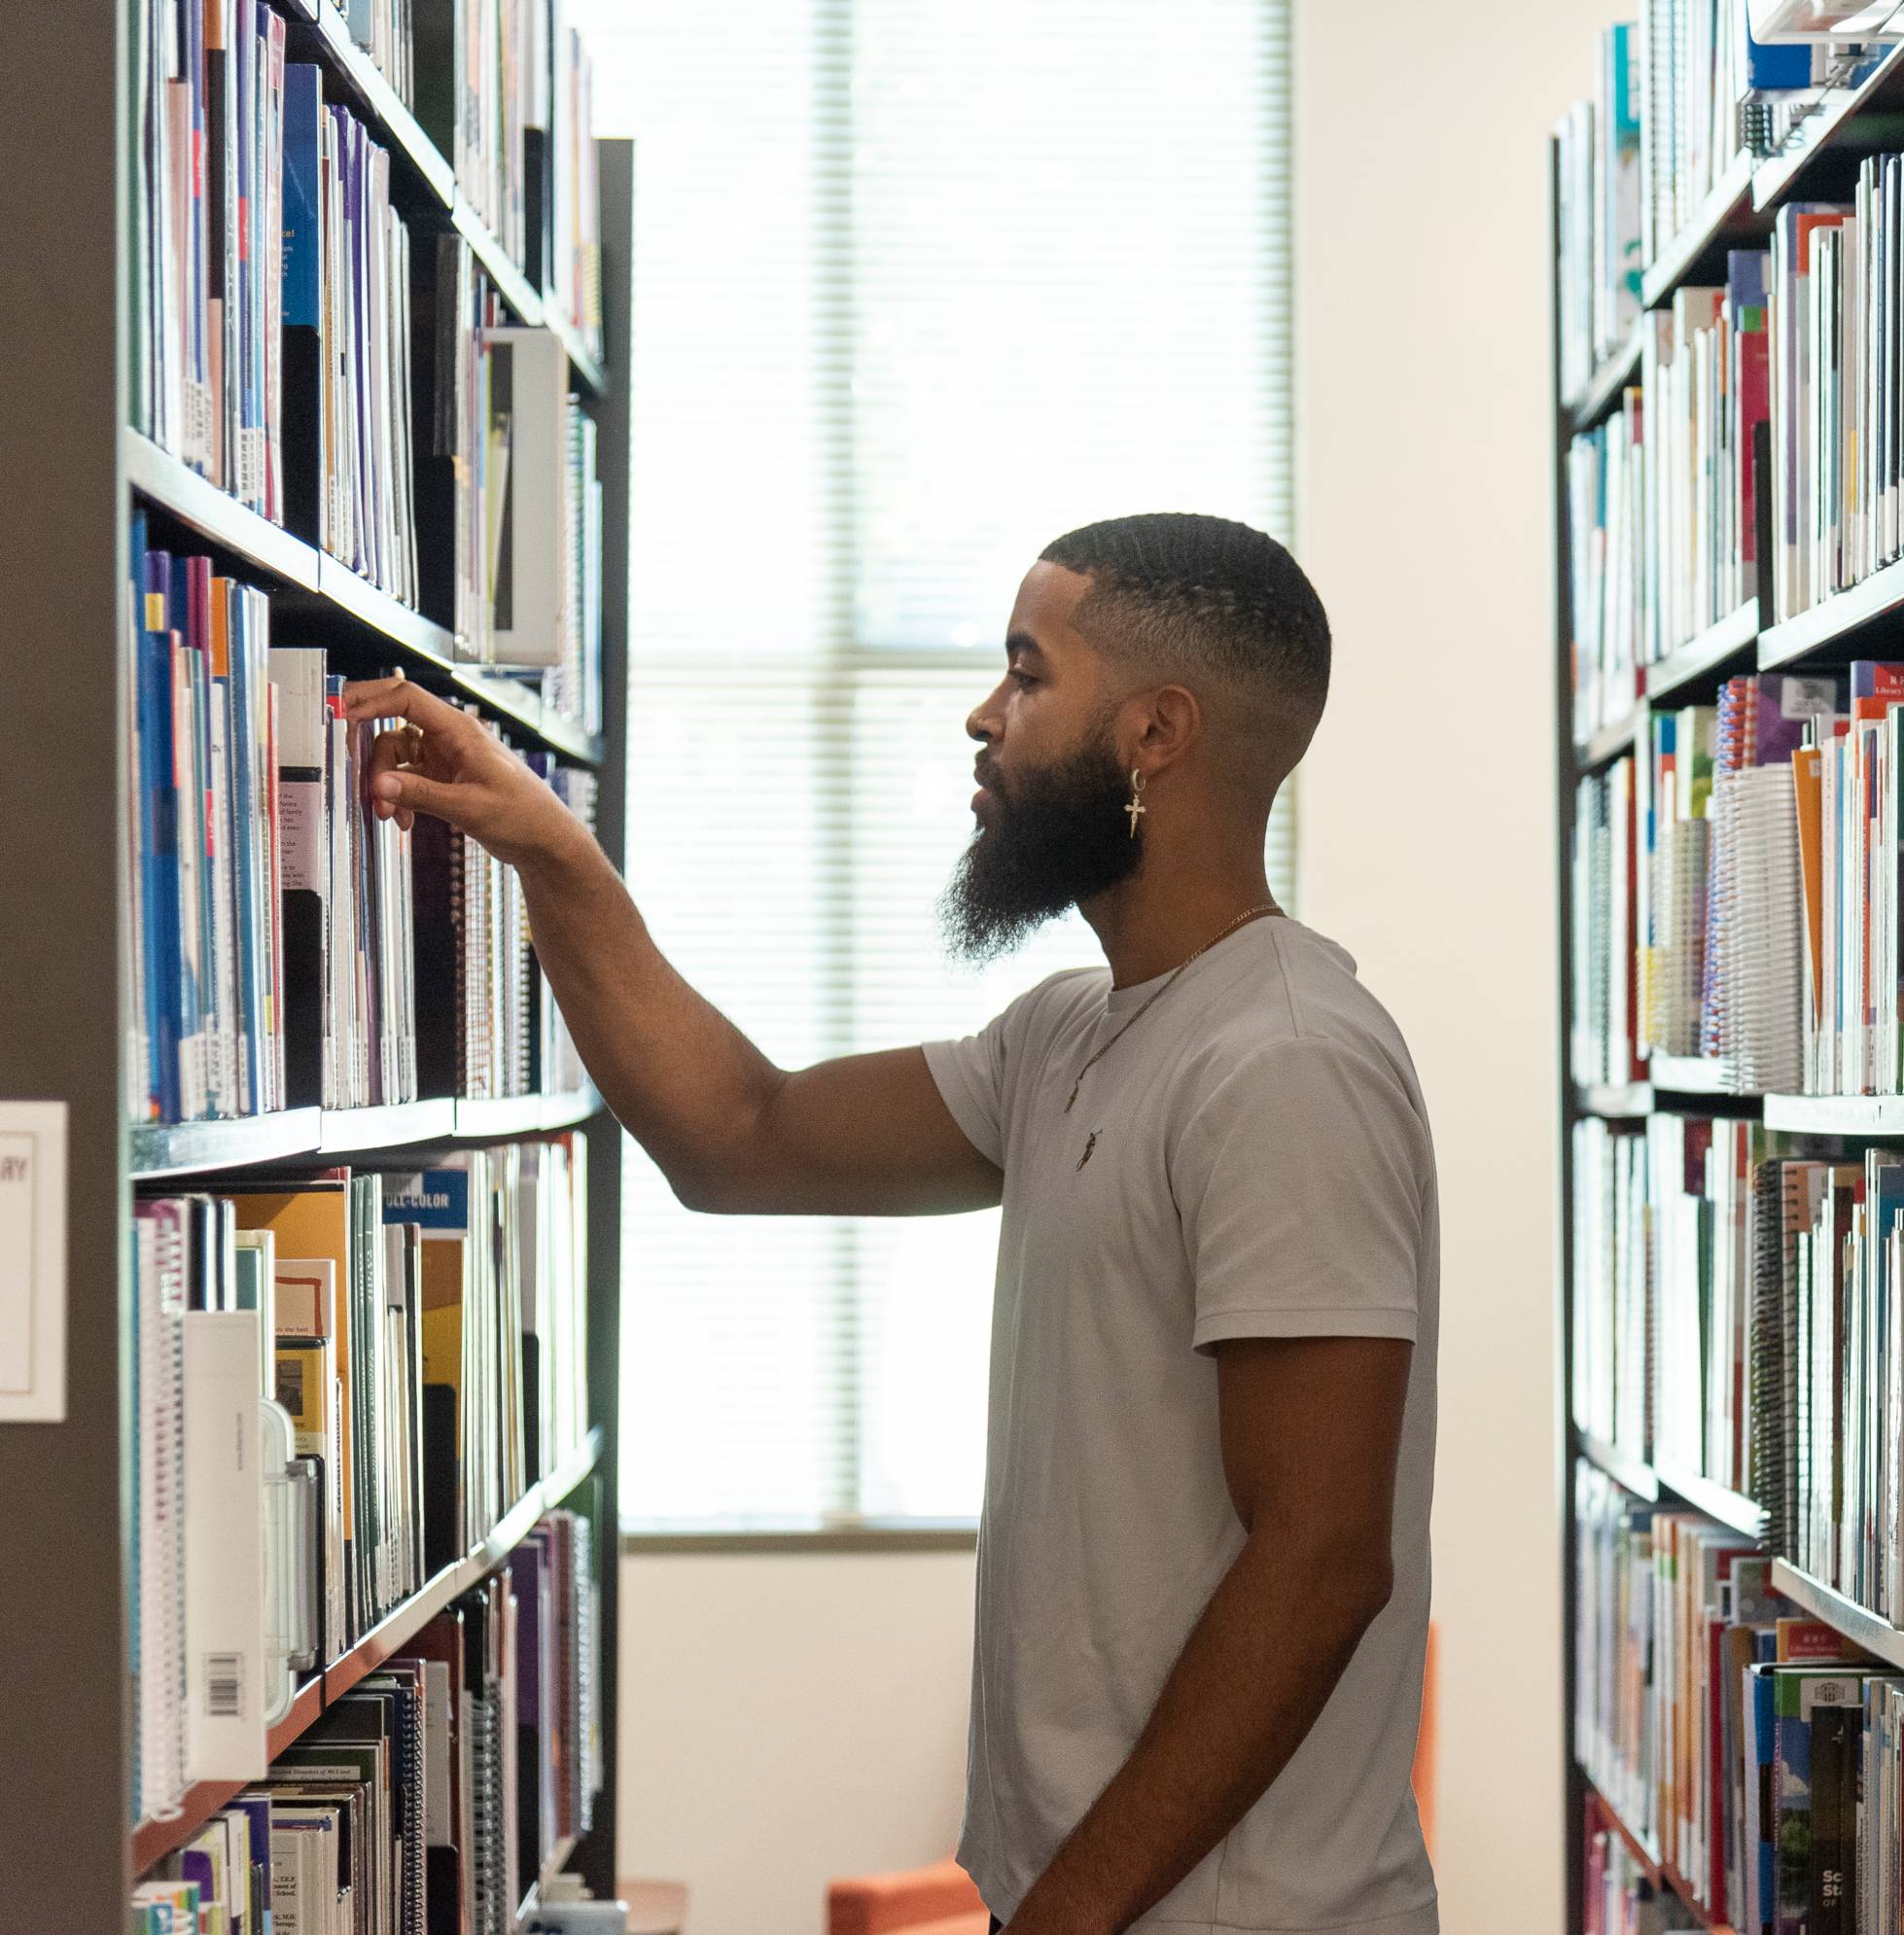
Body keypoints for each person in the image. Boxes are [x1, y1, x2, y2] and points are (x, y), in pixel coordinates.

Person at [342, 513, 1440, 1935]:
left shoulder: (1286, 1062)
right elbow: (740, 1132)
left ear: (1156, 731)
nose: (983, 719)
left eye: (1028, 675)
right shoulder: (1067, 1038)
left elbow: (1320, 1562)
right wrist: (549, 852)